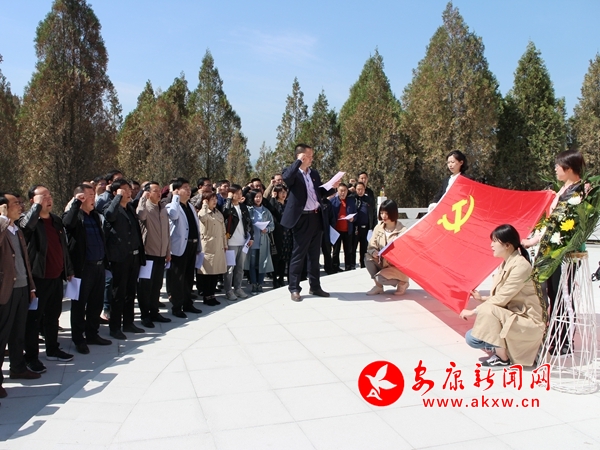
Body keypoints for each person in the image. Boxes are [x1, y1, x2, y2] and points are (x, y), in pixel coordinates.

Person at [522, 149, 585, 355]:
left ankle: (564, 340)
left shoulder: (580, 192)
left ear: (569, 168)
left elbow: (564, 224)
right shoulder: (562, 190)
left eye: (558, 166)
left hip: (565, 253)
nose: (555, 169)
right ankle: (550, 333)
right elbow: (551, 222)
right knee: (547, 292)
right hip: (550, 251)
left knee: (562, 295)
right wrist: (534, 240)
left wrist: (534, 241)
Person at [460, 224, 545, 367]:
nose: (491, 245)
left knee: (487, 312)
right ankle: (512, 349)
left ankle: (503, 358)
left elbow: (502, 298)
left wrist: (473, 311)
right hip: (511, 316)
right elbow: (502, 295)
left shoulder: (520, 266)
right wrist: (482, 299)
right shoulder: (506, 264)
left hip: (526, 321)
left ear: (507, 245)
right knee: (472, 337)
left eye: (495, 241)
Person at [19, 185, 75, 371]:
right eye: (43, 196)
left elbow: (63, 247)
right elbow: (25, 228)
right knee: (33, 320)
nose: (48, 199)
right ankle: (31, 357)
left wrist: (68, 268)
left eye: (49, 195)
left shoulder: (56, 220)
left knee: (53, 317)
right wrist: (36, 208)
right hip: (38, 278)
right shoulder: (28, 221)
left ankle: (53, 349)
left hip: (56, 277)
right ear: (32, 200)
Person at [282, 144, 337, 301]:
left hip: (316, 216)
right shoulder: (292, 172)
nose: (312, 159)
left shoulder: (314, 173)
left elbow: (318, 193)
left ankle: (315, 286)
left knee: (314, 255)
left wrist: (332, 187)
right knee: (298, 254)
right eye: (309, 156)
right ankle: (294, 288)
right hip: (302, 218)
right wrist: (298, 162)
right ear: (301, 156)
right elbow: (287, 179)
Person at [63, 184, 112, 354]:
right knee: (79, 305)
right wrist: (76, 204)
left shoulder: (95, 216)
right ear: (81, 197)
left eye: (93, 195)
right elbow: (67, 223)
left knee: (95, 303)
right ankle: (78, 339)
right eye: (90, 195)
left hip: (98, 266)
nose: (93, 198)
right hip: (83, 268)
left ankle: (92, 334)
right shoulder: (75, 216)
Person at [0, 192, 41, 394]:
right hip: (5, 291)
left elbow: (25, 261)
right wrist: (2, 220)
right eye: (15, 203)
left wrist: (31, 286)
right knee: (2, 335)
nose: (20, 206)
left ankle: (18, 367)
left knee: (18, 333)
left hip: (23, 288)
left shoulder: (17, 230)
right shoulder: (2, 229)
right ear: (3, 208)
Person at [103, 179, 146, 339]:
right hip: (120, 258)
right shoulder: (110, 207)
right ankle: (115, 327)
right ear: (115, 193)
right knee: (118, 294)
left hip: (134, 256)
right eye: (124, 190)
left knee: (130, 292)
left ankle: (128, 323)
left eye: (129, 189)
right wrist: (117, 198)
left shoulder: (129, 208)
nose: (129, 192)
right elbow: (109, 216)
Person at [136, 182, 172, 328]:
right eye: (155, 191)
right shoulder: (145, 207)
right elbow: (140, 215)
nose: (159, 193)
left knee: (157, 285)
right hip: (148, 254)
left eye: (159, 190)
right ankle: (145, 316)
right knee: (145, 287)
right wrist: (142, 199)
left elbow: (167, 232)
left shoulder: (162, 208)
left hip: (161, 254)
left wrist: (168, 251)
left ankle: (154, 312)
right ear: (148, 193)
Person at [166, 178, 203, 318]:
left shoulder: (190, 207)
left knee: (188, 276)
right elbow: (173, 215)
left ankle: (188, 303)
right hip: (179, 247)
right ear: (176, 191)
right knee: (178, 277)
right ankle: (177, 306)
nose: (188, 191)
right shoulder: (172, 206)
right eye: (185, 188)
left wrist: (198, 246)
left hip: (192, 245)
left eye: (189, 188)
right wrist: (175, 197)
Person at [364, 199, 410, 295]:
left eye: (386, 213)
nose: (383, 216)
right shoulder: (378, 228)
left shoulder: (402, 231)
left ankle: (403, 282)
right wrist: (373, 252)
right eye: (381, 213)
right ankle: (378, 287)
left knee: (380, 278)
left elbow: (405, 253)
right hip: (382, 261)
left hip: (395, 266)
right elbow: (371, 246)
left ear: (393, 213)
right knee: (367, 258)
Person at [222, 184, 254, 301]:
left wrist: (251, 237)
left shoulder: (243, 207)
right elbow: (225, 213)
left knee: (240, 268)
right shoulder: (227, 206)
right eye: (238, 193)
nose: (240, 195)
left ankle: (238, 288)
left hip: (243, 242)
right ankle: (228, 291)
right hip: (231, 242)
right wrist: (228, 199)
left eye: (241, 193)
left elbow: (249, 222)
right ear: (231, 194)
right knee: (229, 269)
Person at [198, 191, 227, 306]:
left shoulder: (218, 213)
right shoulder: (203, 212)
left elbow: (223, 230)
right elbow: (202, 218)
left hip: (218, 246)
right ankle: (207, 296)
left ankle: (212, 295)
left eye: (215, 198)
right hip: (208, 247)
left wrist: (225, 244)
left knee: (215, 272)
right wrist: (204, 205)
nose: (214, 201)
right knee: (207, 273)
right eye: (211, 199)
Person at [245, 190, 275, 293]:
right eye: (256, 197)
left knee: (263, 263)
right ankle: (254, 283)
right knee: (252, 264)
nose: (258, 199)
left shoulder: (266, 211)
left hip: (263, 241)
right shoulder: (249, 210)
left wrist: (267, 229)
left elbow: (272, 225)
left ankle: (260, 283)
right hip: (252, 241)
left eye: (260, 197)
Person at [331, 183, 357, 272]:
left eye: (345, 191)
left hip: (347, 230)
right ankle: (335, 266)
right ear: (337, 191)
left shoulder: (351, 201)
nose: (343, 193)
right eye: (341, 191)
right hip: (336, 230)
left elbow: (355, 213)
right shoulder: (332, 201)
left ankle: (348, 267)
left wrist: (353, 218)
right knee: (336, 250)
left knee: (348, 250)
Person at [269, 185, 292, 287]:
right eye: (281, 192)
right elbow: (271, 210)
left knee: (285, 257)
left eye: (285, 192)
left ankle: (282, 278)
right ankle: (275, 279)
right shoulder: (274, 204)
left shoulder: (288, 204)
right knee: (276, 257)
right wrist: (273, 198)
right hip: (277, 233)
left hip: (288, 233)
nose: (283, 194)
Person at [352, 182, 376, 269]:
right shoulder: (352, 199)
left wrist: (373, 226)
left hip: (366, 228)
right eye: (358, 189)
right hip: (355, 228)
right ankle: (352, 265)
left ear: (364, 190)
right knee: (353, 247)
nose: (360, 191)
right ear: (355, 190)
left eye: (362, 189)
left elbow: (374, 213)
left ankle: (363, 264)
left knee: (364, 248)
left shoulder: (369, 200)